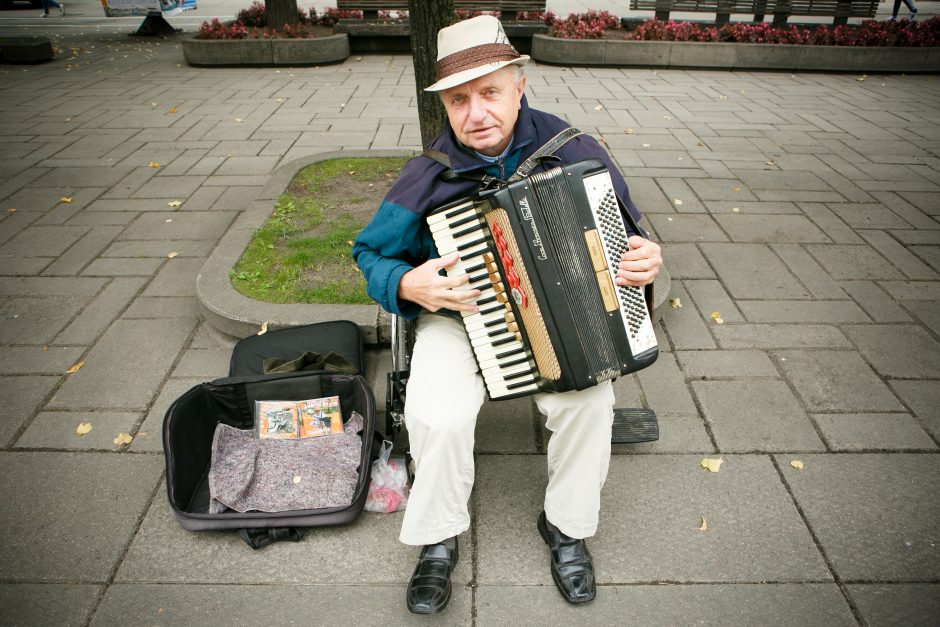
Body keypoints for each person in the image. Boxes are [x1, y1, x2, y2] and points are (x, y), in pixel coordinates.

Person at [352, 15, 662, 615]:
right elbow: (369, 254)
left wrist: (648, 259)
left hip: (561, 324)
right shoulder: (429, 175)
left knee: (591, 403)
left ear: (520, 86)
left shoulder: (575, 151)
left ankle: (567, 526)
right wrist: (407, 281)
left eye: (490, 92)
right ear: (445, 106)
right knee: (434, 413)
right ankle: (439, 537)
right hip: (461, 317)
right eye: (459, 100)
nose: (476, 113)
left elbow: (629, 237)